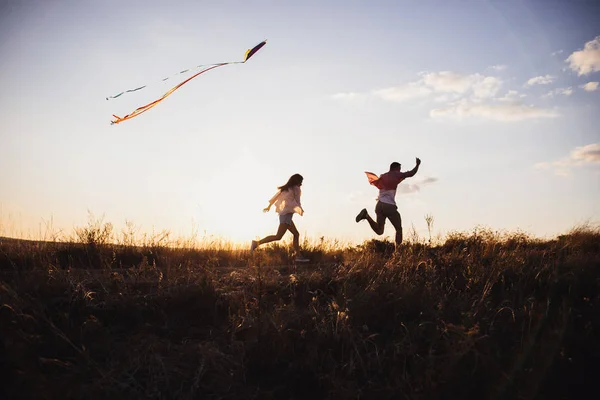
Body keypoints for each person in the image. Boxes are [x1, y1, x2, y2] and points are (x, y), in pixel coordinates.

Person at [355, 157, 421, 246]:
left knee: (379, 231)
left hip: (379, 205)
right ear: (396, 168)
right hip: (389, 205)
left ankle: (366, 215)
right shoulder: (396, 174)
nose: (400, 171)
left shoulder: (383, 176)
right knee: (398, 229)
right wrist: (417, 165)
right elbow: (411, 173)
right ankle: (397, 253)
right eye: (399, 169)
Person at [251, 174, 309, 262]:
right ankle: (256, 243)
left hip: (284, 215)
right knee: (278, 236)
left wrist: (269, 206)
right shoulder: (296, 189)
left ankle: (298, 255)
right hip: (286, 215)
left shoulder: (285, 188)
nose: (301, 183)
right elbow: (297, 201)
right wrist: (300, 209)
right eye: (300, 181)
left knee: (296, 234)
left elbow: (275, 197)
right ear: (297, 181)